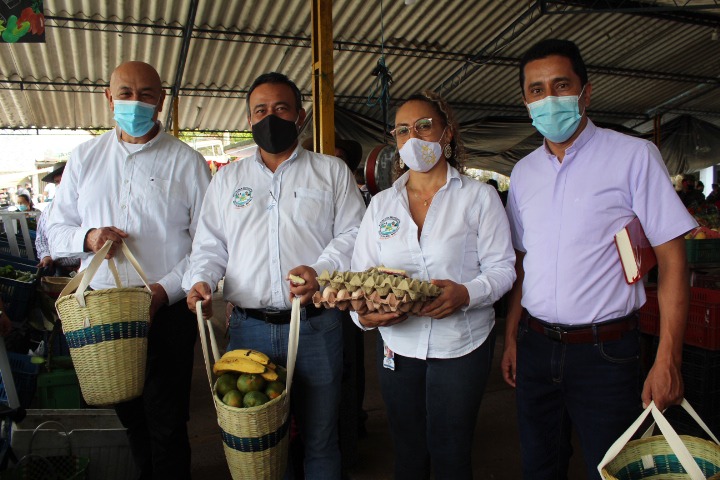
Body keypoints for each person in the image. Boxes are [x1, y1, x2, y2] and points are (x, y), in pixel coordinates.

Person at [501, 39, 696, 480]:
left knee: (610, 470)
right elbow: (520, 261)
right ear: (525, 101)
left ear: (585, 92)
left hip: (605, 354)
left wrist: (669, 359)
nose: (548, 98)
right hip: (535, 347)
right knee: (539, 466)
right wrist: (512, 335)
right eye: (536, 89)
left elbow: (673, 262)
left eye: (560, 85)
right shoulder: (524, 172)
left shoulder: (632, 157)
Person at [185, 72, 365, 478]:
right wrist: (199, 280)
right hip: (249, 330)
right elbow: (210, 245)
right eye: (260, 110)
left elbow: (356, 234)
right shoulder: (228, 180)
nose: (270, 117)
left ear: (300, 116)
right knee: (263, 444)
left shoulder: (330, 172)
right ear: (249, 120)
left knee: (321, 436)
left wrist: (320, 271)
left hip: (317, 326)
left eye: (281, 108)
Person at [47, 60, 211, 480]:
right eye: (125, 93)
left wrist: (164, 290)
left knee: (167, 418)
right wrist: (89, 238)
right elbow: (54, 226)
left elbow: (207, 241)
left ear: (160, 101)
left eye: (146, 95)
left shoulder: (186, 162)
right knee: (130, 416)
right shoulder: (85, 158)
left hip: (165, 309)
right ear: (108, 97)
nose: (135, 103)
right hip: (104, 312)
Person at [350, 90, 516, 480]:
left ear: (447, 134)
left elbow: (503, 268)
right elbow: (362, 276)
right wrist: (367, 317)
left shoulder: (478, 198)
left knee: (451, 450)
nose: (414, 136)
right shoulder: (381, 205)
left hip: (461, 345)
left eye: (424, 125)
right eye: (403, 130)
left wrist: (466, 293)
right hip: (398, 347)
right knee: (407, 450)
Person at [35, 162, 80, 273]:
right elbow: (41, 238)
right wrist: (45, 256)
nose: (61, 185)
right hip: (59, 268)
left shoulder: (86, 206)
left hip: (86, 269)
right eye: (57, 182)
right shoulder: (48, 210)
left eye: (63, 180)